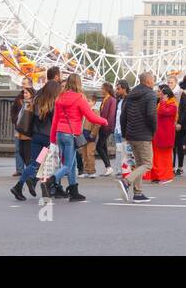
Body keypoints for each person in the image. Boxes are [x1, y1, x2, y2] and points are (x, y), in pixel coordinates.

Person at [50, 73, 108, 201]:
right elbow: (91, 117)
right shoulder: (80, 98)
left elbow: (55, 119)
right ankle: (51, 180)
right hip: (71, 135)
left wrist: (53, 137)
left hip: (60, 132)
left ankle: (74, 191)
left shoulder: (60, 98)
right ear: (78, 83)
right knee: (67, 164)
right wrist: (104, 121)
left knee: (73, 163)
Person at [11, 79, 58, 201]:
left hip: (36, 136)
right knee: (39, 164)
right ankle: (26, 183)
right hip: (47, 138)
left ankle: (22, 185)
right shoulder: (53, 104)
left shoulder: (37, 100)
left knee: (34, 162)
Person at [118, 71, 157, 203]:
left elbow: (123, 116)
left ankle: (138, 193)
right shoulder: (151, 94)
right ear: (148, 81)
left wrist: (125, 133)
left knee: (139, 164)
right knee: (147, 164)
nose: (154, 82)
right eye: (153, 80)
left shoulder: (130, 95)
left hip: (131, 134)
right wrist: (153, 130)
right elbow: (151, 115)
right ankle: (126, 181)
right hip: (143, 134)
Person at [147, 85, 177, 183]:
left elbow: (162, 112)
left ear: (166, 95)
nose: (158, 93)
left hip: (165, 135)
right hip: (158, 134)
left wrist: (163, 101)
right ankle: (156, 176)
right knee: (156, 157)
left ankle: (166, 176)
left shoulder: (172, 105)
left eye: (160, 92)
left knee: (164, 157)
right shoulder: (161, 103)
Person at [10, 80, 33, 177]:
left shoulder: (35, 100)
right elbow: (13, 110)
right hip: (19, 128)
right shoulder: (19, 98)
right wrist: (15, 120)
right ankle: (20, 169)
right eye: (22, 83)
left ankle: (31, 169)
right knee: (18, 149)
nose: (22, 85)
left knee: (29, 150)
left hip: (29, 130)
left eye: (24, 83)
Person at [96, 83, 116, 175]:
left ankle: (108, 166)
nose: (101, 90)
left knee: (99, 146)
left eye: (102, 88)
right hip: (102, 125)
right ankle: (108, 167)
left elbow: (111, 115)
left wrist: (107, 126)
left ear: (106, 89)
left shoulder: (111, 100)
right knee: (103, 146)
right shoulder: (106, 99)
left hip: (106, 126)